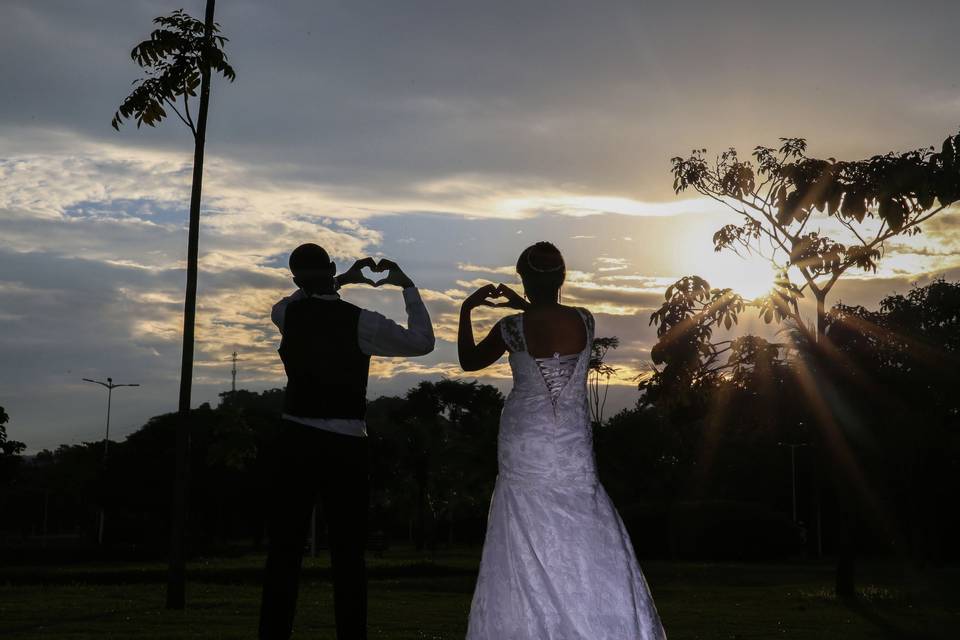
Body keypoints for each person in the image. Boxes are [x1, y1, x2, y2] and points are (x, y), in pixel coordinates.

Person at [458, 241, 666, 639]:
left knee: (523, 524)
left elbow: (469, 360)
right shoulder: (585, 321)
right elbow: (545, 316)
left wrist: (468, 309)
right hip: (571, 441)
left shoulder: (510, 328)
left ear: (523, 278)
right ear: (562, 278)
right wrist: (525, 302)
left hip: (525, 439)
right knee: (583, 516)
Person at [259, 243, 435, 640]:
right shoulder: (361, 322)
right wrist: (406, 286)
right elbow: (422, 342)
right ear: (332, 268)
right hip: (345, 445)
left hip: (295, 439)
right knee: (348, 556)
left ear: (293, 278)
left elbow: (303, 294)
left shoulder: (286, 313)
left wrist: (340, 280)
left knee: (284, 552)